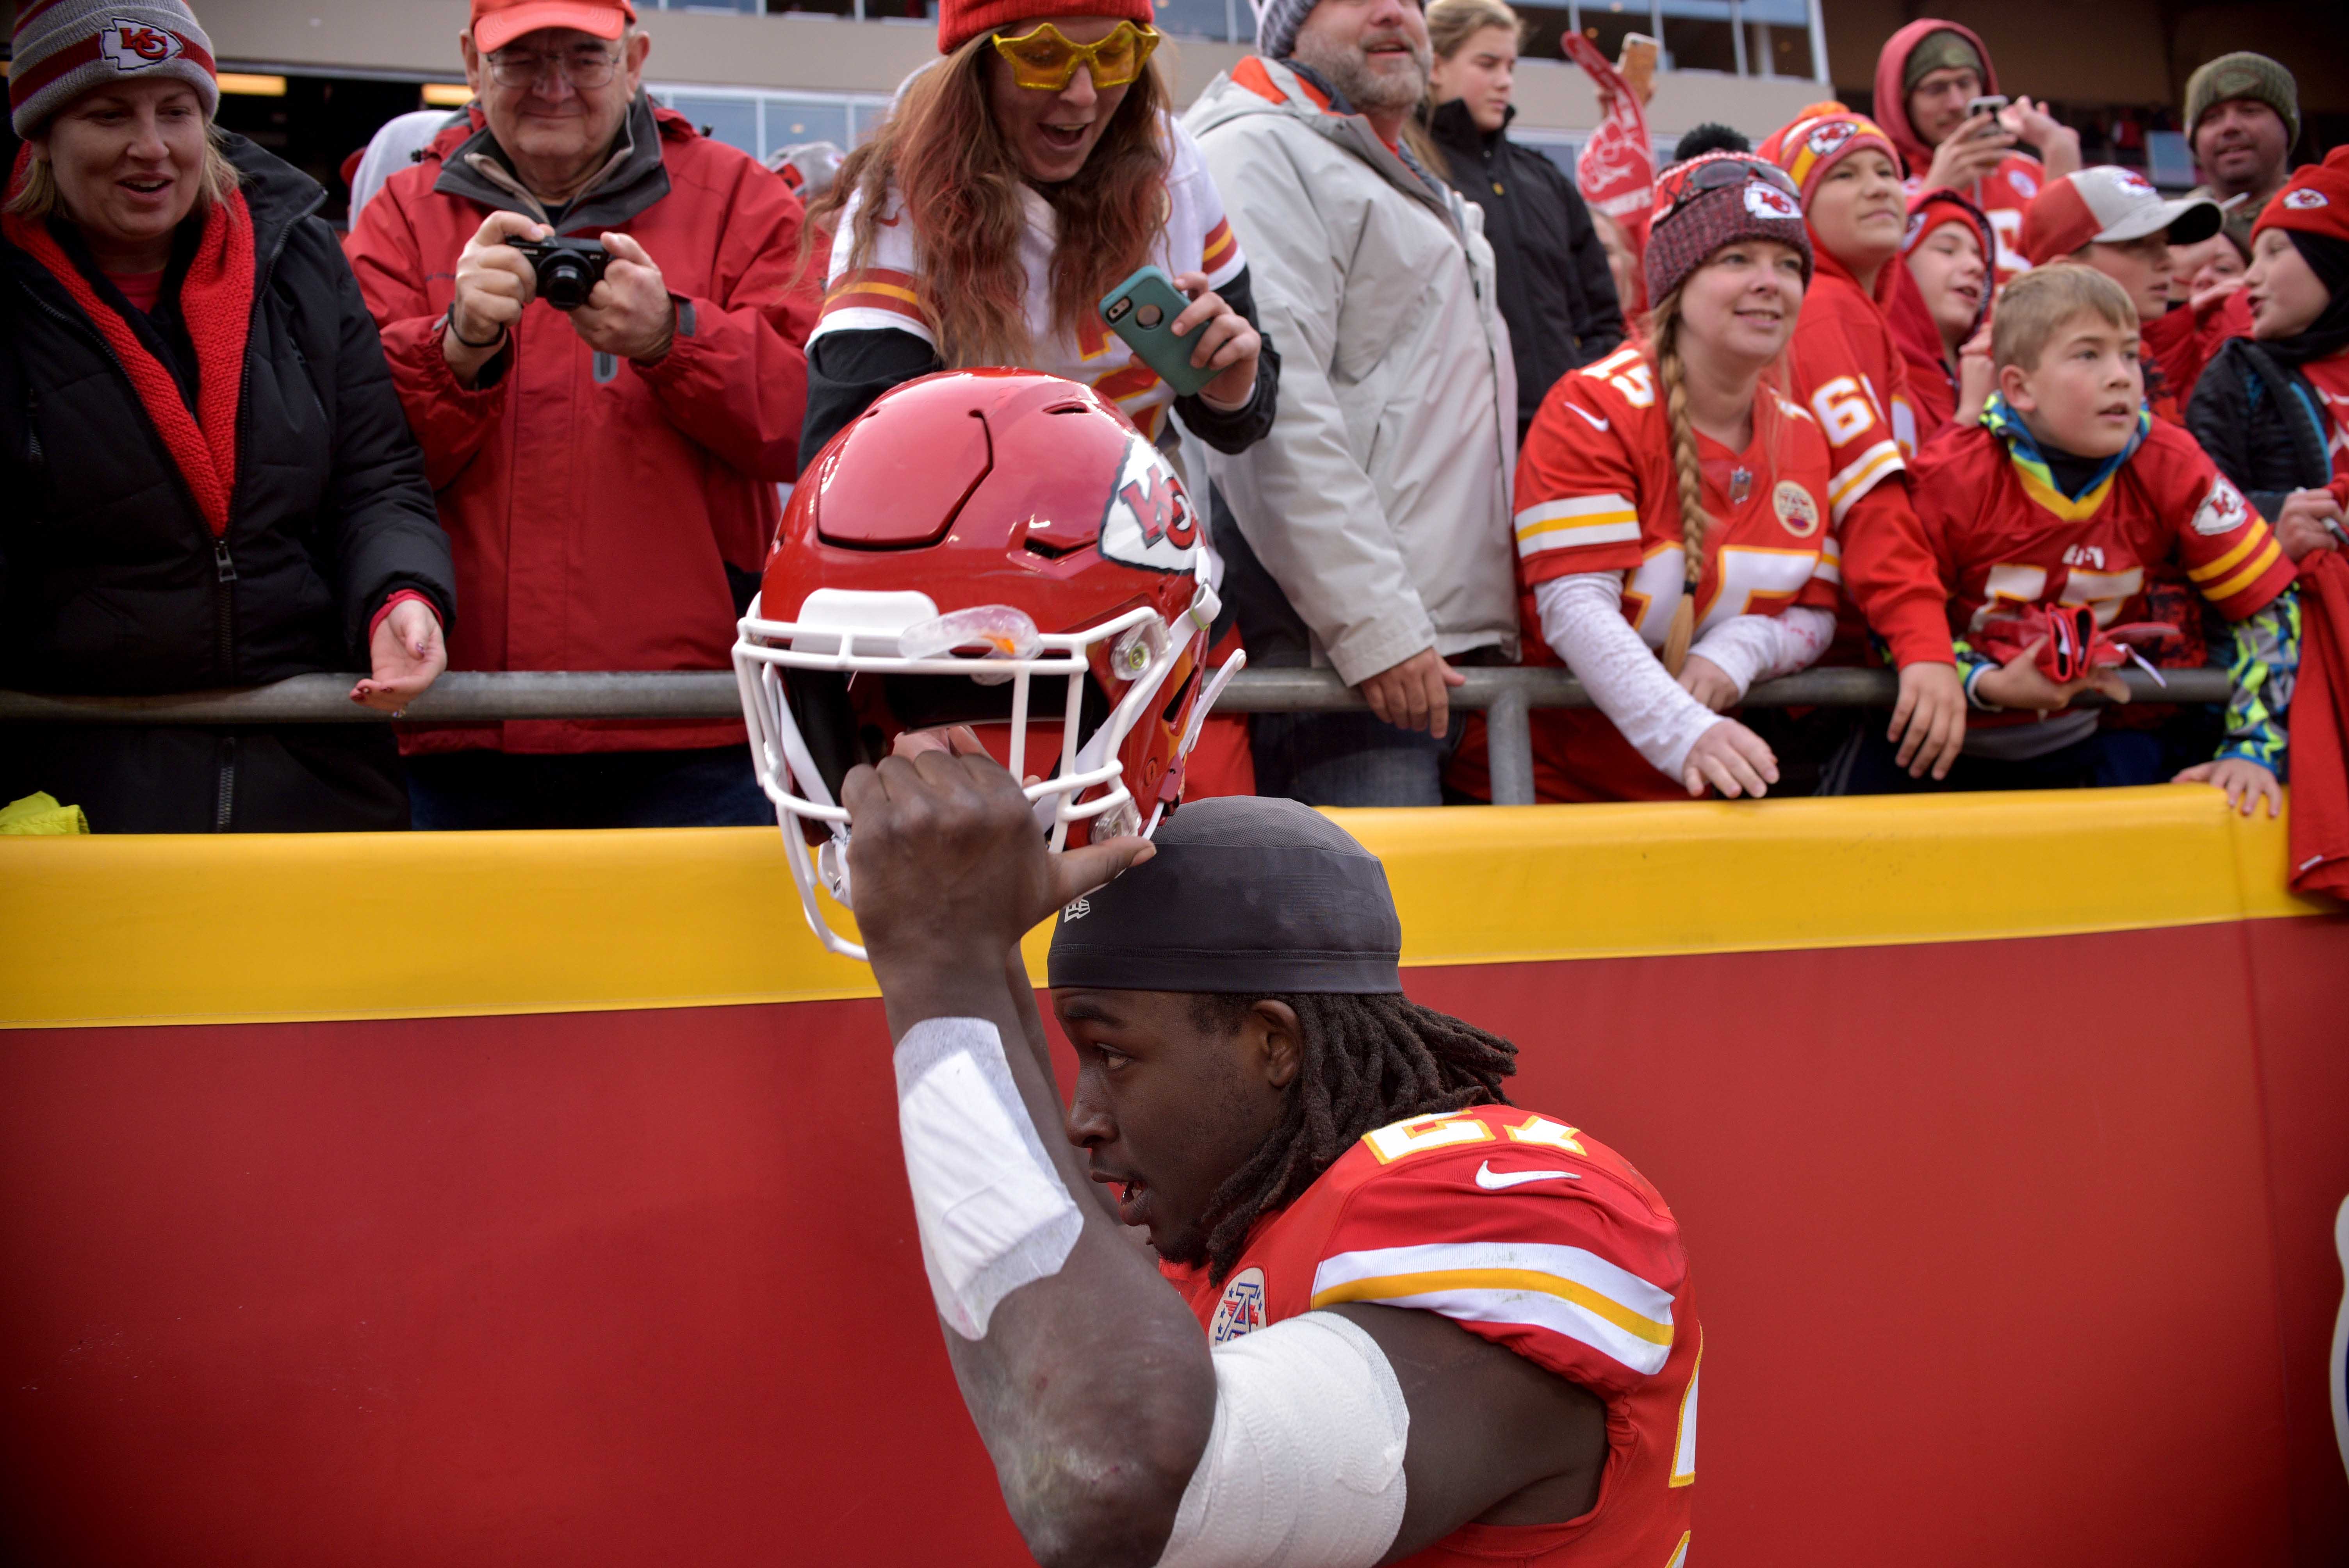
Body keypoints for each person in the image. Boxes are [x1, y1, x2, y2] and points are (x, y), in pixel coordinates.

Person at [832, 773, 1700, 1564]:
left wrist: (942, 967)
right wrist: (978, 952)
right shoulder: (1236, 1227)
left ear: (1272, 1046)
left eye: (1113, 1054)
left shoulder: (1503, 1215)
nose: (1082, 1119)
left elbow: (1115, 1488)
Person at [346, 0, 816, 829]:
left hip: (692, 733)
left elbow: (808, 424)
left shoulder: (744, 202)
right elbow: (346, 451)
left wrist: (674, 338)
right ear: (470, 65)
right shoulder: (398, 217)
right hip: (456, 727)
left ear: (634, 60)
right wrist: (455, 350)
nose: (554, 86)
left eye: (584, 58)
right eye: (522, 60)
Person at [1, 0, 455, 832]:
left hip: (313, 763)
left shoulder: (296, 252)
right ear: (42, 135)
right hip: (73, 776)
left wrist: (399, 593)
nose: (152, 147)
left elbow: (375, 474)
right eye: (109, 115)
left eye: (176, 111)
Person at [1183, 0, 1519, 806]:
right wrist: (1376, 629)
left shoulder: (1380, 166)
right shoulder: (1257, 150)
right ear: (1285, 28)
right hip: (1348, 663)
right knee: (1378, 928)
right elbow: (1274, 422)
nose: (1391, 12)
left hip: (1430, 648)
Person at [1449, 153, 1839, 803]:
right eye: (1736, 259)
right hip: (1546, 792)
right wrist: (1687, 732)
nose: (1770, 282)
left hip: (1702, 795)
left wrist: (1745, 647)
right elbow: (1575, 609)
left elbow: (1817, 614)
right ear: (1676, 283)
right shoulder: (1591, 407)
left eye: (1789, 264)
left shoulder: (1803, 435)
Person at [796, 0, 1273, 467]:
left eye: (1112, 55)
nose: (1083, 94)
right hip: (982, 541)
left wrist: (1227, 392)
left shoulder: (1171, 159)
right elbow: (846, 470)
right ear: (975, 68)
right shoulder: (907, 196)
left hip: (1147, 535)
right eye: (1043, 57)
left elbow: (1244, 420)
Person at [1911, 265, 2298, 807]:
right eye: (2088, 355)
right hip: (1933, 744)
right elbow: (1889, 622)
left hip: (2088, 736)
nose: (2121, 376)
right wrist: (1984, 682)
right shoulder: (1950, 474)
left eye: (2130, 353)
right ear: (2020, 387)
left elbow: (2269, 606)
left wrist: (2254, 747)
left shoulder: (2173, 462)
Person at [1763, 108, 1967, 786]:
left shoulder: (1858, 309)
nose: (1880, 187)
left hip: (1830, 658)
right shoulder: (1824, 304)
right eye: (1844, 175)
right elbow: (1868, 496)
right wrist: (1924, 643)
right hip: (1822, 677)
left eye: (1886, 170)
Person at [1423, 0, 1624, 444]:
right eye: (1487, 64)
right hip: (1458, 442)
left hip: (1567, 435)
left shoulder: (1546, 181)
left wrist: (1584, 398)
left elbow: (1600, 318)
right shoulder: (1411, 174)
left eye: (1510, 65)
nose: (1505, 81)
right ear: (1435, 66)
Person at [2190, 147, 2349, 563]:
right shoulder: (2238, 374)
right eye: (2253, 255)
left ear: (2334, 262)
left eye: (2275, 252)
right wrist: (2275, 526)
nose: (2252, 276)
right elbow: (2195, 511)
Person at [1872, 18, 2080, 285]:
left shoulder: (2027, 171)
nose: (1956, 103)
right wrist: (1933, 196)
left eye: (1966, 83)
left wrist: (2061, 158)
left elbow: (2077, 274)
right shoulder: (1881, 183)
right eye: (1936, 89)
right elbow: (1877, 283)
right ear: (1901, 101)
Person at [2017, 166, 2231, 423]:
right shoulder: (2013, 367)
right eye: (2138, 245)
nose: (2168, 262)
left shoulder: (2139, 352)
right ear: (2067, 271)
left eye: (2164, 244)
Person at [1896, 189, 1994, 436]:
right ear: (1898, 267)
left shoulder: (1998, 378)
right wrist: (1972, 416)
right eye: (1947, 250)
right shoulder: (1880, 371)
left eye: (1980, 257)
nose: (1975, 268)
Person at [2184, 51, 2301, 257]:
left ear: (2287, 127)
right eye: (2212, 117)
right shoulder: (2172, 230)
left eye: (2250, 111)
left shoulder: (2325, 220)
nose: (2230, 127)